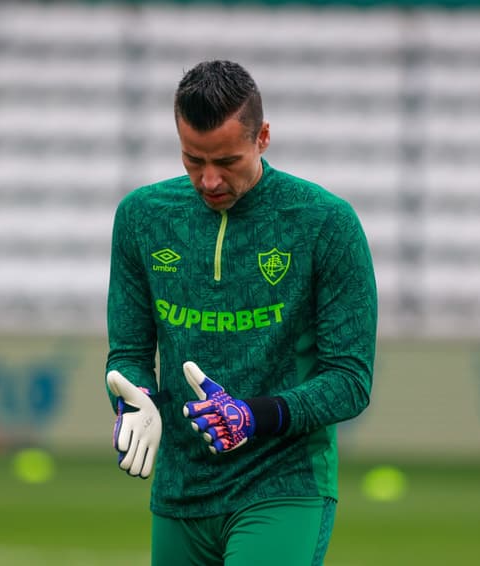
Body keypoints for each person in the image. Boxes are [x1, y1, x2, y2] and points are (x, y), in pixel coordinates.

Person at [105, 59, 377, 566]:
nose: (208, 180)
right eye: (192, 160)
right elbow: (129, 351)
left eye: (227, 161)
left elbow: (350, 379)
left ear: (263, 138)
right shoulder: (142, 218)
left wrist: (254, 415)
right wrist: (133, 399)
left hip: (282, 481)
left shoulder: (325, 223)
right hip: (180, 490)